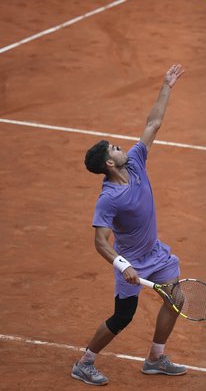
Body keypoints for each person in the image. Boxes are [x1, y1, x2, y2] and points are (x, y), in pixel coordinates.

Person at [72, 64, 186, 386]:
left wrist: (167, 85)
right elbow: (100, 241)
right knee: (123, 317)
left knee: (176, 300)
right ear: (110, 163)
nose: (121, 147)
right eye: (114, 149)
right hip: (132, 262)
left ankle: (154, 358)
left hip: (156, 254)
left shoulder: (135, 161)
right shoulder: (108, 199)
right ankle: (85, 362)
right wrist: (123, 266)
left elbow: (153, 122)